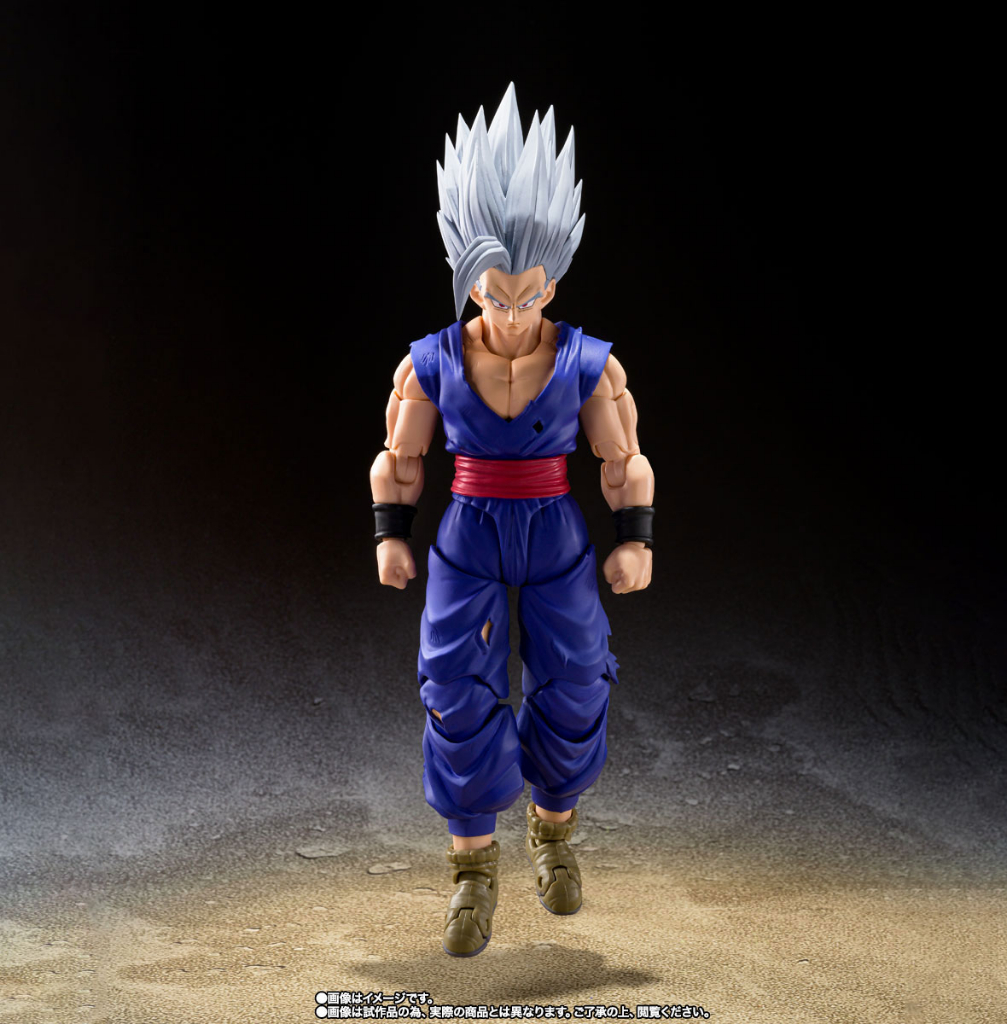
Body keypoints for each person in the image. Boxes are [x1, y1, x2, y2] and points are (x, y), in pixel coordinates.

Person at [369, 83, 654, 957]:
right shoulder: (430, 363)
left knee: (576, 678)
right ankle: (471, 870)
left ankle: (555, 835)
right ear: (468, 281)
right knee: (455, 687)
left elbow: (622, 460)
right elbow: (400, 458)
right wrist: (389, 533)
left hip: (554, 528)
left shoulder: (587, 363)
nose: (510, 315)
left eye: (526, 297)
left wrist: (636, 540)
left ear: (551, 283)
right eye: (493, 297)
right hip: (469, 531)